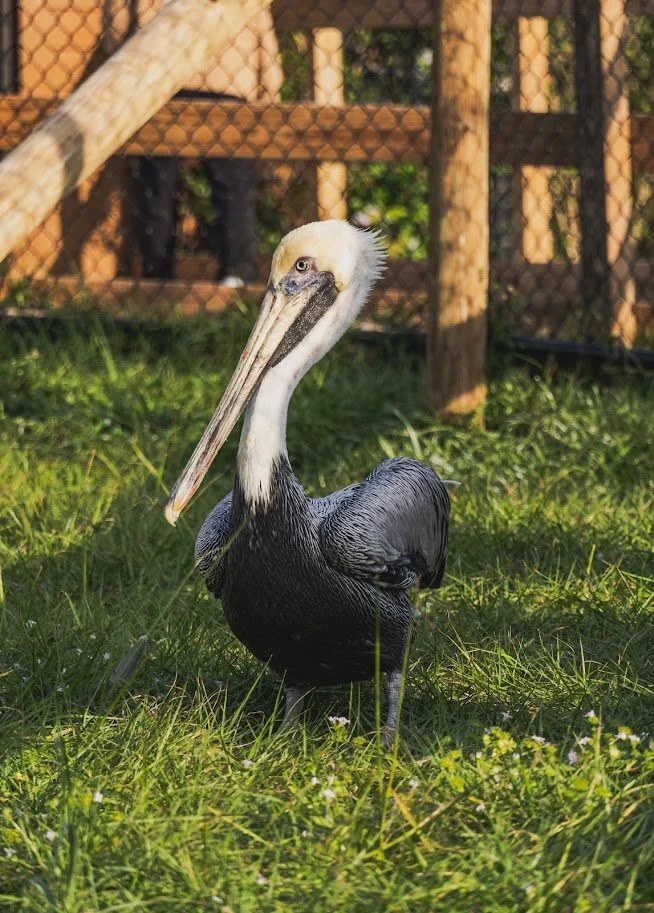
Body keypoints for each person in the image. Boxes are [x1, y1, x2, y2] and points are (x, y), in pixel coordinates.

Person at [102, 0, 283, 283]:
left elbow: (117, 21)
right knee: (232, 183)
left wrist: (124, 67)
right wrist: (268, 89)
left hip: (160, 77)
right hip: (229, 77)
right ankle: (236, 274)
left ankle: (157, 274)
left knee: (157, 183)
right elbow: (261, 24)